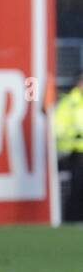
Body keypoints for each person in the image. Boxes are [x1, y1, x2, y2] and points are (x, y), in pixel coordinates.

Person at [54, 70, 83, 222]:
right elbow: (58, 128)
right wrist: (73, 135)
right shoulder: (69, 103)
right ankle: (74, 218)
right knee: (78, 186)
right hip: (74, 152)